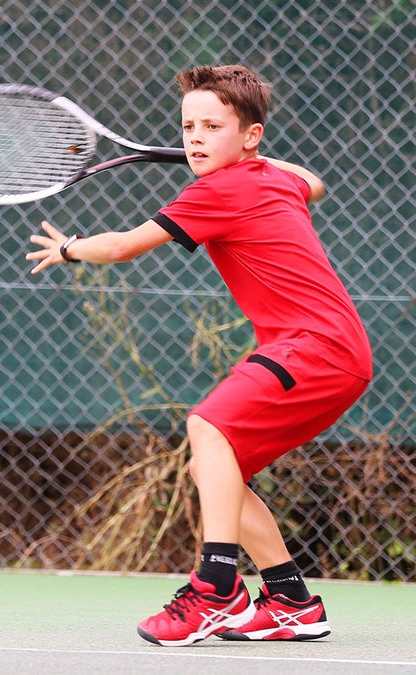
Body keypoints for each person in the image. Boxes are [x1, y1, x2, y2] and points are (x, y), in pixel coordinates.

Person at [26, 65, 372, 646]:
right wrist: (244, 152)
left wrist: (69, 247)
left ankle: (215, 587)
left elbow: (125, 246)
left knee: (207, 424)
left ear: (251, 135)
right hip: (337, 351)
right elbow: (312, 180)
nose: (193, 138)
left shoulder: (218, 190)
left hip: (316, 346)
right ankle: (291, 602)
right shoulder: (269, 179)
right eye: (188, 126)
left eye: (213, 126)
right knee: (215, 466)